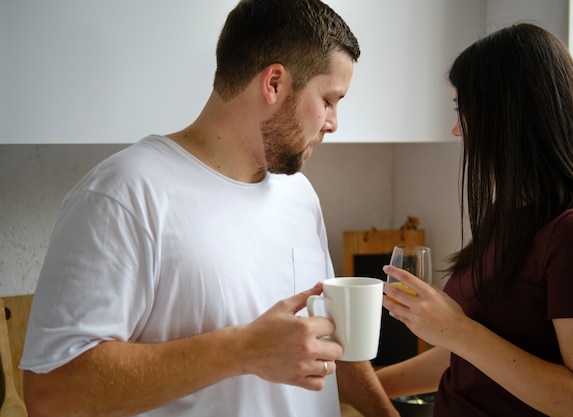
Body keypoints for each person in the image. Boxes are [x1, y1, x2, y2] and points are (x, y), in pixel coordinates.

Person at [20, 1, 399, 416]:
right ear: (274, 83)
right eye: (329, 99)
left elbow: (330, 338)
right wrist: (241, 350)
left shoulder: (300, 196)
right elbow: (50, 393)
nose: (333, 122)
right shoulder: (124, 194)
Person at [377, 23, 573, 417]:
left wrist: (458, 330)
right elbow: (469, 358)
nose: (457, 130)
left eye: (465, 112)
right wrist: (363, 387)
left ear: (508, 116)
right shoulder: (512, 214)